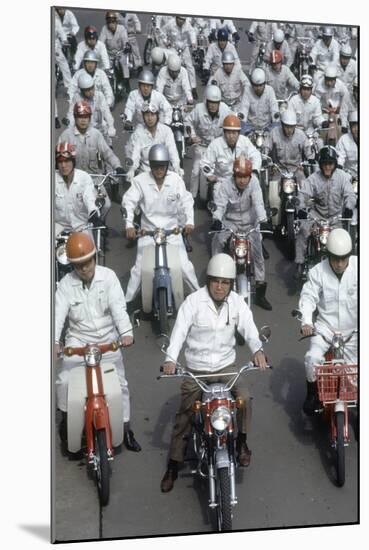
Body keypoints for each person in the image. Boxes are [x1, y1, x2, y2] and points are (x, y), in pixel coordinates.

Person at [159, 253, 268, 492]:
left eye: (225, 282)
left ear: (231, 284)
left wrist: (258, 350)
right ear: (208, 280)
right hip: (197, 369)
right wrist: (170, 359)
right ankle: (174, 465)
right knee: (185, 415)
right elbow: (178, 333)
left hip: (226, 367)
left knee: (244, 398)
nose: (219, 287)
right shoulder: (193, 302)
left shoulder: (237, 302)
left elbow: (249, 328)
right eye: (215, 281)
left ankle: (241, 443)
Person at [55, 232, 141, 452]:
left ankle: (126, 427)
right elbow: (57, 315)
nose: (85, 268)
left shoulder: (109, 277)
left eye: (88, 262)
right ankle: (67, 422)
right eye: (79, 265)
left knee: (121, 385)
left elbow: (118, 308)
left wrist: (126, 333)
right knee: (64, 382)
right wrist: (54, 341)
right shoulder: (65, 285)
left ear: (95, 257)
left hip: (107, 340)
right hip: (77, 341)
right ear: (73, 266)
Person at [122, 144, 199, 304]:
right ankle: (126, 304)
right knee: (139, 270)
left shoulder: (176, 180)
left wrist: (190, 222)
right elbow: (128, 202)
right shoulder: (140, 181)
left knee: (185, 267)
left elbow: (186, 201)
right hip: (148, 233)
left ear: (167, 165)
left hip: (172, 232)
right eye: (155, 166)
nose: (159, 170)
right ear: (150, 165)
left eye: (162, 166)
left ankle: (201, 299)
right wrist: (129, 224)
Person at [298, 228, 357, 414]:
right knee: (312, 358)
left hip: (354, 331)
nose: (339, 263)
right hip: (325, 329)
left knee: (356, 375)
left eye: (344, 258)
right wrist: (307, 322)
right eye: (335, 258)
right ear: (328, 255)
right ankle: (313, 394)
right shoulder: (318, 272)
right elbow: (308, 297)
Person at [211, 157, 272, 310]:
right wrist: (217, 219)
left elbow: (258, 203)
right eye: (239, 177)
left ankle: (260, 291)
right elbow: (219, 206)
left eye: (245, 177)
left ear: (250, 176)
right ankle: (214, 276)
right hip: (231, 222)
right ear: (234, 175)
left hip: (250, 223)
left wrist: (263, 220)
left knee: (258, 252)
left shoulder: (255, 183)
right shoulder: (225, 185)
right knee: (217, 240)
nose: (242, 181)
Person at [294, 146, 357, 279]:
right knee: (303, 230)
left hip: (337, 218)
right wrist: (300, 209)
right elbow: (303, 194)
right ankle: (299, 263)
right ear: (320, 164)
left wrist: (348, 208)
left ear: (335, 164)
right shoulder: (313, 178)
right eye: (324, 163)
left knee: (347, 236)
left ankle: (348, 265)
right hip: (316, 216)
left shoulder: (343, 177)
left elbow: (350, 195)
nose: (327, 166)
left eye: (330, 163)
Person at [185, 85, 231, 200]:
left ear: (219, 102)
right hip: (202, 146)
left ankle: (226, 196)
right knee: (195, 171)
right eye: (210, 102)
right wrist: (193, 136)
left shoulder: (226, 110)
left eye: (215, 102)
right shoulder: (199, 109)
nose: (212, 105)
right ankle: (193, 197)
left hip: (219, 146)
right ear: (206, 101)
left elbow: (233, 123)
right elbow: (187, 121)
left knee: (226, 170)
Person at [202, 114, 262, 197]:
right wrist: (209, 175)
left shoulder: (245, 141)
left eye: (234, 133)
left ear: (238, 133)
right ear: (224, 132)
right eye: (228, 132)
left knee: (255, 194)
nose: (231, 136)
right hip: (222, 181)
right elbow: (205, 163)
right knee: (217, 200)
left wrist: (254, 171)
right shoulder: (215, 144)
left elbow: (255, 155)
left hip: (242, 180)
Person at [125, 102, 182, 179]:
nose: (150, 118)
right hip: (145, 175)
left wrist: (177, 167)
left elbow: (173, 152)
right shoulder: (138, 133)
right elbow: (135, 154)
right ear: (143, 117)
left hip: (164, 173)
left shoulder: (166, 131)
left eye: (152, 115)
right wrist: (132, 170)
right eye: (147, 115)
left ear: (157, 116)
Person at [55, 143, 102, 233]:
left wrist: (93, 214)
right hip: (58, 226)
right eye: (60, 162)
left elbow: (90, 199)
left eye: (67, 161)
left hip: (81, 226)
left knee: (90, 247)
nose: (63, 165)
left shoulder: (84, 178)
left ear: (73, 162)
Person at [67, 73, 116, 144]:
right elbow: (71, 114)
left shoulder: (99, 96)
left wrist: (111, 126)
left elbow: (106, 112)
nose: (91, 92)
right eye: (87, 90)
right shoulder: (77, 98)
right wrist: (70, 128)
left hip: (100, 128)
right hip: (84, 129)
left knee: (108, 149)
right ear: (81, 90)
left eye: (92, 88)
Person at [159, 16, 198, 97]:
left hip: (185, 48)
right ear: (176, 18)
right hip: (174, 48)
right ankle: (166, 87)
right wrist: (166, 41)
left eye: (183, 20)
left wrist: (193, 42)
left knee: (190, 66)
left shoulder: (187, 24)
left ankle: (193, 88)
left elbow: (192, 32)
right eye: (180, 19)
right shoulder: (170, 23)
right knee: (171, 65)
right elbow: (162, 32)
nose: (181, 21)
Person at [209, 51, 250, 120]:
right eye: (226, 64)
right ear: (223, 64)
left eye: (230, 64)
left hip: (237, 104)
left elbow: (247, 84)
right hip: (224, 105)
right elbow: (212, 89)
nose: (228, 66)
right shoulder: (218, 73)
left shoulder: (238, 71)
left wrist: (244, 98)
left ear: (233, 64)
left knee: (243, 121)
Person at [100, 11, 131, 95]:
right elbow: (101, 42)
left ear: (116, 22)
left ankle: (127, 82)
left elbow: (125, 40)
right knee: (103, 68)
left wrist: (126, 46)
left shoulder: (122, 29)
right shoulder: (104, 29)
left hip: (120, 53)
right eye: (109, 22)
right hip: (109, 54)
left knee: (123, 63)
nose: (111, 24)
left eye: (113, 22)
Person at [243, 68, 280, 133]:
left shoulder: (270, 91)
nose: (258, 88)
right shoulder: (247, 90)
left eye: (260, 85)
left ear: (264, 83)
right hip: (250, 128)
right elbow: (244, 109)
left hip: (267, 127)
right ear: (252, 84)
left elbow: (274, 110)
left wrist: (274, 122)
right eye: (256, 85)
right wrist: (242, 121)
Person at [336, 111, 358, 178]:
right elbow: (340, 157)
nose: (357, 129)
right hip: (349, 174)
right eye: (354, 126)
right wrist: (339, 168)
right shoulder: (344, 139)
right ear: (350, 127)